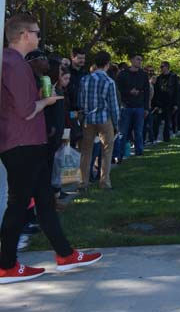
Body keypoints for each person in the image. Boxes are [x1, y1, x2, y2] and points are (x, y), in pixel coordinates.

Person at [0, 14, 101, 284]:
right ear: (24, 36)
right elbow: (25, 110)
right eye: (36, 32)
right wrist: (47, 101)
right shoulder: (15, 64)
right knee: (19, 204)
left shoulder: (9, 62)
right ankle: (6, 265)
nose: (39, 37)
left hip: (24, 143)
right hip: (23, 144)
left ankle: (65, 255)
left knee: (44, 201)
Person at [78, 51, 120, 191]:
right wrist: (116, 123)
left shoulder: (85, 80)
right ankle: (104, 182)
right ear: (107, 64)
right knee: (107, 151)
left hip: (88, 118)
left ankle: (83, 182)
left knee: (85, 151)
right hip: (104, 118)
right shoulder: (109, 82)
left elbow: (81, 101)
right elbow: (113, 105)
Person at [115, 53, 150, 158]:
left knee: (138, 131)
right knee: (123, 132)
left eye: (141, 60)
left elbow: (147, 92)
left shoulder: (143, 75)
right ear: (131, 60)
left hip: (139, 106)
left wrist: (146, 108)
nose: (139, 61)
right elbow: (118, 90)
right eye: (138, 59)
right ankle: (119, 154)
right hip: (126, 106)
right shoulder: (122, 74)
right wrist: (129, 91)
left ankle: (139, 152)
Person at [151, 62, 180, 142]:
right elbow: (156, 91)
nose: (161, 68)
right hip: (160, 102)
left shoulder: (174, 77)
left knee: (168, 120)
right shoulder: (159, 78)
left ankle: (166, 138)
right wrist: (156, 104)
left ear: (167, 67)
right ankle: (154, 138)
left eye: (162, 66)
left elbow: (177, 91)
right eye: (160, 67)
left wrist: (176, 103)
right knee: (157, 120)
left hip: (170, 102)